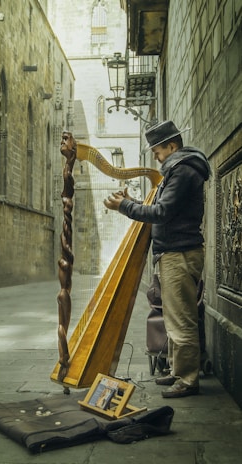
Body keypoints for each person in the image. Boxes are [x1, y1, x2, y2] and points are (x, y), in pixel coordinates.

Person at [104, 120, 211, 398]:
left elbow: (162, 213)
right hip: (173, 252)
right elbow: (162, 209)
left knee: (182, 319)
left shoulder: (184, 170)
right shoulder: (178, 169)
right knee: (174, 318)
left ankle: (188, 380)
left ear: (172, 146)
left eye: (157, 149)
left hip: (180, 253)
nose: (155, 155)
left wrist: (125, 207)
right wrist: (135, 203)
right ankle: (178, 370)